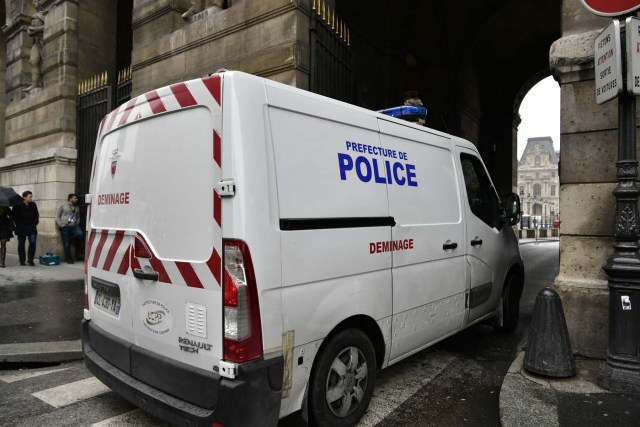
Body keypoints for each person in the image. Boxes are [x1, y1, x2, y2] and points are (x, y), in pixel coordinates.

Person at [12, 191, 39, 266]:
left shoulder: (33, 204)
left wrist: (35, 223)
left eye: (31, 196)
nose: (31, 198)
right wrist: (18, 224)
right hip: (21, 227)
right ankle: (22, 260)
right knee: (21, 244)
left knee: (33, 243)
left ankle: (30, 260)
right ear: (24, 197)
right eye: (30, 196)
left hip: (32, 227)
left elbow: (36, 215)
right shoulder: (17, 205)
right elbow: (14, 216)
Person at [56, 193, 83, 264]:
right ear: (70, 199)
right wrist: (60, 224)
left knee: (79, 234)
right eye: (75, 198)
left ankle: (70, 239)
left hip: (73, 226)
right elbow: (58, 216)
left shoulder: (77, 207)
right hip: (65, 226)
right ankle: (68, 258)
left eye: (76, 198)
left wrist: (76, 224)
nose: (76, 199)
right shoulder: (63, 206)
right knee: (66, 243)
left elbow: (78, 217)